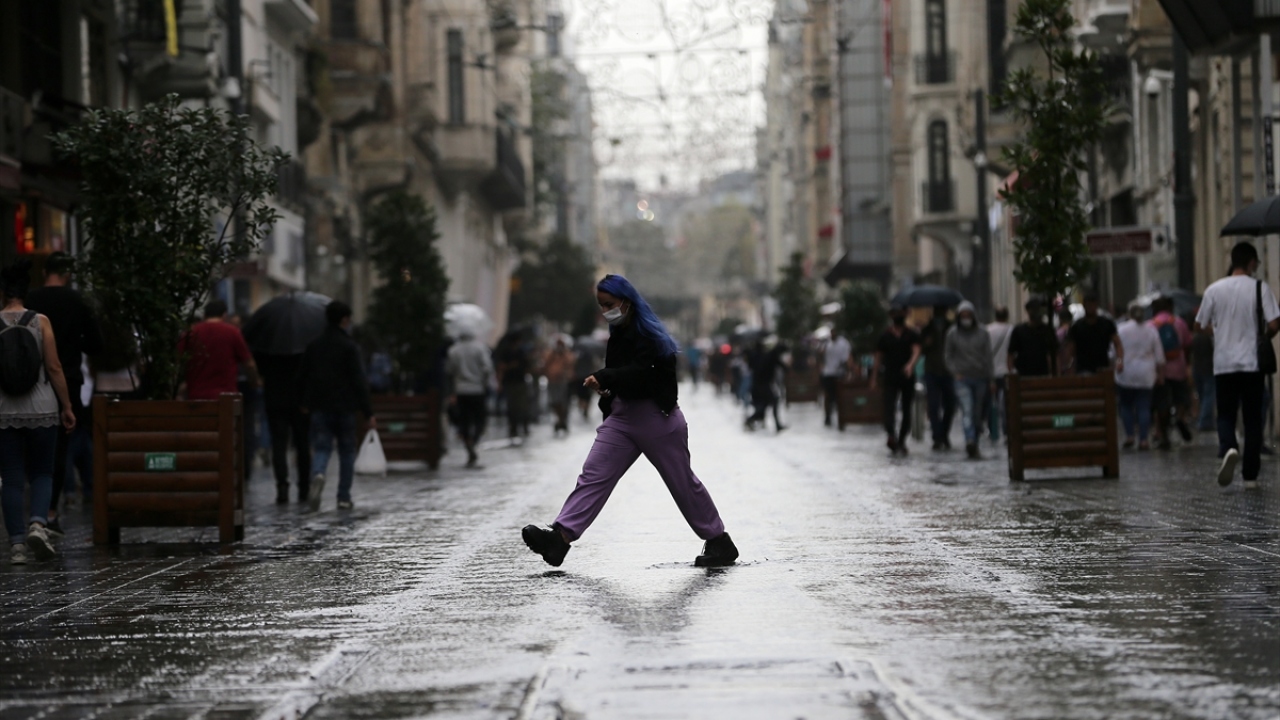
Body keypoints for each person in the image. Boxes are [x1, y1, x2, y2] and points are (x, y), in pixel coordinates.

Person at [521, 274, 738, 568]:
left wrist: (608, 377)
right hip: (622, 419)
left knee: (682, 483)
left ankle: (719, 541)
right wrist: (607, 389)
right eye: (600, 305)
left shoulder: (651, 335)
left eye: (608, 304)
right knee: (593, 476)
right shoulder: (618, 334)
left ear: (626, 300)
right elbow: (623, 375)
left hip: (657, 420)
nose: (604, 310)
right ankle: (559, 539)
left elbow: (645, 374)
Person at [0, 261, 76, 565]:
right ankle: (38, 524)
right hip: (42, 407)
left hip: (4, 411)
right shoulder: (40, 321)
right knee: (43, 471)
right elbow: (55, 367)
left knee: (12, 477)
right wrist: (67, 406)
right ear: (26, 291)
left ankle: (17, 545)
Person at [25, 251, 102, 535]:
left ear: (45, 270)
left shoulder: (31, 300)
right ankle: (49, 511)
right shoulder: (78, 301)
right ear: (68, 274)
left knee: (30, 445)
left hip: (31, 380)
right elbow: (96, 344)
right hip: (67, 379)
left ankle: (35, 510)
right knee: (59, 448)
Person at [1194, 241, 1280, 489]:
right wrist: (1263, 336)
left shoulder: (1214, 289)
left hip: (1224, 363)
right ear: (1252, 262)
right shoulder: (1259, 288)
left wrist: (1217, 332)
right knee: (1253, 418)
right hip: (1251, 362)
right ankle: (1250, 476)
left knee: (1226, 414)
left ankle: (1229, 447)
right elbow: (1274, 323)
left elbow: (1199, 325)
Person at [299, 301, 376, 510]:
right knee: (347, 451)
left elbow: (305, 376)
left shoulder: (314, 345)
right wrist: (368, 412)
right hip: (345, 407)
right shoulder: (349, 347)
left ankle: (319, 474)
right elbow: (359, 380)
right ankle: (343, 496)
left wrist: (305, 402)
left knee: (322, 447)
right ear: (344, 320)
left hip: (320, 406)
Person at [255, 351, 310, 503]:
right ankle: (304, 488)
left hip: (275, 400)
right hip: (299, 402)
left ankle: (282, 487)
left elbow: (260, 370)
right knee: (302, 444)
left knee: (279, 445)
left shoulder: (269, 346)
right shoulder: (302, 347)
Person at [178, 300, 259, 400]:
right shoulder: (232, 332)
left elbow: (177, 362)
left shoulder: (191, 333)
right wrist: (255, 381)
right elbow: (249, 364)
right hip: (226, 398)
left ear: (205, 315)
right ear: (224, 315)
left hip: (196, 397)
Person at [944, 301, 993, 459]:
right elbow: (948, 356)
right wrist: (954, 372)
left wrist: (990, 379)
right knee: (967, 410)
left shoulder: (983, 333)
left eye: (968, 315)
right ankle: (970, 440)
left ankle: (975, 441)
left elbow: (988, 357)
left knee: (978, 414)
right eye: (963, 316)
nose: (966, 318)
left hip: (980, 378)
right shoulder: (952, 333)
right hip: (962, 379)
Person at [872, 306, 922, 456]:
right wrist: (874, 377)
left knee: (907, 409)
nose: (898, 316)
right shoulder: (885, 336)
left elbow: (916, 350)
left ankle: (902, 440)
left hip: (907, 377)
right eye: (895, 313)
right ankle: (891, 435)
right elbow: (878, 357)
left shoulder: (911, 334)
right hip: (890, 377)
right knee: (889, 407)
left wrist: (910, 365)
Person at [1116, 302, 1165, 450]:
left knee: (1125, 406)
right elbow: (1160, 357)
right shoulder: (1151, 331)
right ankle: (1144, 439)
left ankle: (1130, 435)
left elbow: (1112, 352)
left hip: (1125, 373)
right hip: (1146, 374)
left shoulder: (1121, 329)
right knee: (1144, 407)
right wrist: (1160, 375)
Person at [446, 327, 494, 468]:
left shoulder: (453, 350)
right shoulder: (480, 349)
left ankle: (468, 443)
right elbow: (487, 368)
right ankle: (474, 439)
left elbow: (449, 370)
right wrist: (484, 383)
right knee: (480, 419)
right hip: (477, 390)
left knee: (464, 420)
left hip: (461, 390)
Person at [1150, 296, 1193, 449]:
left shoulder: (1151, 325)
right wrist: (1186, 362)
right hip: (1178, 368)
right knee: (1181, 398)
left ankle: (1164, 436)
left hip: (1159, 371)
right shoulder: (1179, 322)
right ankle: (1180, 418)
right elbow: (1188, 343)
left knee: (1162, 403)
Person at [919, 304, 956, 449]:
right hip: (932, 371)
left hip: (948, 371)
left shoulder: (951, 328)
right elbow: (921, 348)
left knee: (950, 405)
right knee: (933, 405)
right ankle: (937, 436)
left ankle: (944, 433)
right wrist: (926, 343)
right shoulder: (927, 330)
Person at [1064, 293, 1123, 376]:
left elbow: (1117, 343)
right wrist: (1069, 364)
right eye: (1088, 305)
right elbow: (1071, 348)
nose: (1090, 307)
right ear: (1084, 306)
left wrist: (1119, 360)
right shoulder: (1077, 326)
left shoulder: (1106, 324)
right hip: (1083, 368)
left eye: (1092, 304)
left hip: (1102, 366)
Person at [745, 335, 788, 432]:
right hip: (762, 384)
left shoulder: (765, 356)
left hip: (761, 384)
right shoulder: (768, 356)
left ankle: (751, 420)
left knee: (765, 405)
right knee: (772, 401)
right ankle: (776, 424)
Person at [1007, 298, 1058, 377]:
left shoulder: (1047, 331)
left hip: (1042, 374)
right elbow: (1011, 354)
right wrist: (1012, 373)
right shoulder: (1019, 331)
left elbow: (1053, 354)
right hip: (1024, 374)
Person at [986, 307, 1013, 442]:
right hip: (1007, 371)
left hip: (992, 372)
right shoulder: (1012, 330)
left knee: (992, 403)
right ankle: (1006, 430)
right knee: (1007, 404)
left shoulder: (988, 330)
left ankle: (992, 430)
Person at [541, 336, 576, 435]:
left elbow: (570, 364)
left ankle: (562, 421)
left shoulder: (566, 355)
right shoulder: (550, 354)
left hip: (563, 381)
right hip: (552, 381)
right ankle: (560, 420)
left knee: (563, 402)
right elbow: (545, 365)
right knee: (554, 402)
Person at [820, 328, 852, 428]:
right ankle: (828, 417)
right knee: (828, 396)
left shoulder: (843, 343)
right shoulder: (826, 343)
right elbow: (821, 356)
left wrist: (849, 371)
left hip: (838, 374)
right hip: (828, 373)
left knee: (839, 397)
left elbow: (846, 359)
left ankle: (840, 417)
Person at [1190, 317, 1216, 431]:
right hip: (1209, 369)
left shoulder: (1195, 337)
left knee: (1203, 396)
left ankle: (1206, 419)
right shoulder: (1210, 338)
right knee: (1208, 396)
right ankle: (1204, 421)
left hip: (1198, 369)